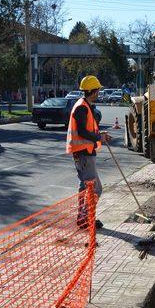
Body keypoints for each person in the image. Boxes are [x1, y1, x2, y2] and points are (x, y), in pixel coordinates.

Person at [66, 75, 111, 229]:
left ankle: (82, 217)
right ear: (92, 91)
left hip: (83, 152)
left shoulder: (84, 105)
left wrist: (100, 134)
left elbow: (87, 130)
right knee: (96, 188)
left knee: (84, 187)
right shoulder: (82, 107)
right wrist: (99, 137)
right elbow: (83, 132)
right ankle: (86, 217)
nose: (99, 92)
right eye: (98, 90)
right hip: (84, 152)